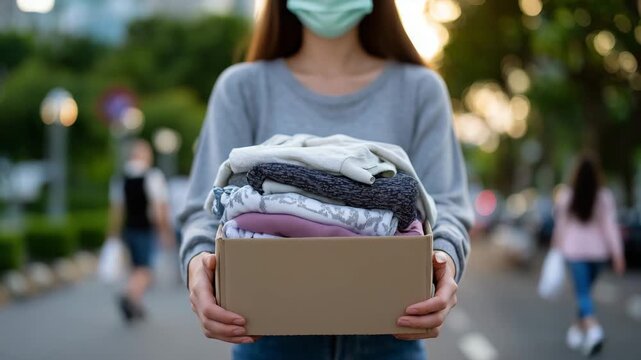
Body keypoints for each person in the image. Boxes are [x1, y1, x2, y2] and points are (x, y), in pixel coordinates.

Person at [179, 0, 473, 358]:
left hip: (392, 333)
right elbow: (207, 208)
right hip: (267, 336)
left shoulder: (419, 89)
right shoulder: (242, 87)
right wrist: (199, 269)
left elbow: (445, 205)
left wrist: (444, 262)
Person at [552, 153, 625, 356]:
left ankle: (593, 331)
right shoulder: (604, 196)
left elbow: (561, 225)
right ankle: (576, 331)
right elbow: (610, 227)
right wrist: (617, 254)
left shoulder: (567, 195)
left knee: (583, 293)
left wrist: (556, 247)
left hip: (574, 252)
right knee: (585, 293)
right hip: (598, 254)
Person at [108, 139, 175, 322]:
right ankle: (128, 296)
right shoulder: (152, 176)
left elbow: (117, 209)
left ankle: (136, 304)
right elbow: (158, 208)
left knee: (135, 267)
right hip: (146, 229)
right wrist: (165, 232)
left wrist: (113, 234)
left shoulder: (120, 178)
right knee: (145, 269)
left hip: (128, 228)